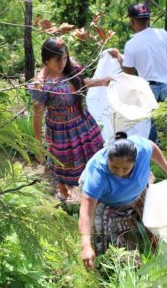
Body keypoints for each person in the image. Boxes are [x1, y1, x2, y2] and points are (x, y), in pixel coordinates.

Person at [79, 131, 167, 271]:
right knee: (105, 240)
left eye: (125, 168)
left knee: (154, 227)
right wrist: (86, 245)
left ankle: (158, 253)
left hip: (138, 192)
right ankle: (110, 268)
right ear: (108, 160)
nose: (120, 172)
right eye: (114, 167)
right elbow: (86, 212)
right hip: (108, 202)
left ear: (135, 161)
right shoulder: (97, 174)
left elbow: (152, 147)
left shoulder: (141, 149)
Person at [29, 37, 113, 202]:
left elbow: (80, 83)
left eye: (65, 58)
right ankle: (64, 193)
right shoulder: (41, 85)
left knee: (92, 154)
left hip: (82, 122)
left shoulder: (70, 69)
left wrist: (101, 82)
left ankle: (94, 189)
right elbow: (37, 115)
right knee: (63, 162)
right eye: (57, 60)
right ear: (46, 60)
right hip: (60, 130)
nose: (62, 63)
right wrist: (37, 144)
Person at [109, 3, 167, 143]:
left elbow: (127, 72)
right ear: (148, 19)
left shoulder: (131, 44)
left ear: (132, 21)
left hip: (148, 88)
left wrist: (118, 56)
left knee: (148, 122)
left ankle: (150, 149)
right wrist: (158, 61)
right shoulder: (162, 33)